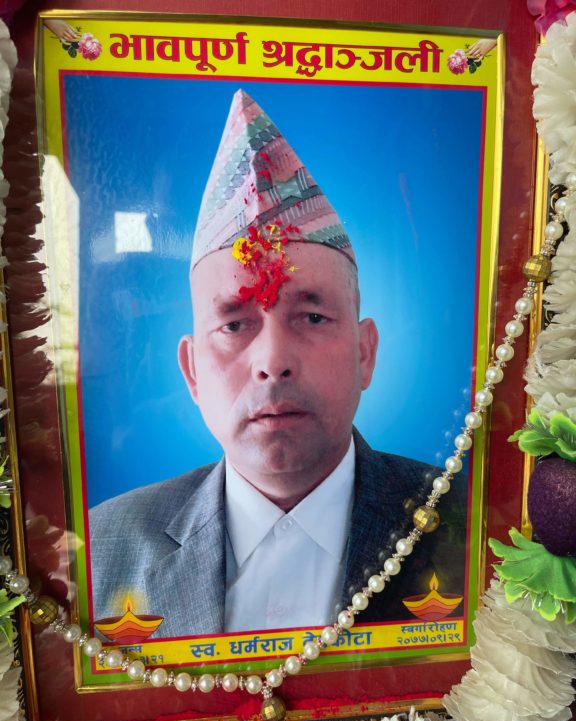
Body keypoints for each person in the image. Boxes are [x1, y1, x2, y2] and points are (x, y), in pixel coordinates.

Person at [89, 90, 467, 638]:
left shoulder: (475, 529)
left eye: (312, 317)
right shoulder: (99, 552)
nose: (272, 362)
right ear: (192, 371)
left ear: (365, 353)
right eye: (234, 324)